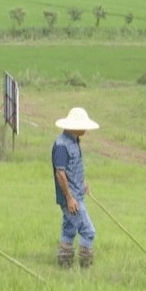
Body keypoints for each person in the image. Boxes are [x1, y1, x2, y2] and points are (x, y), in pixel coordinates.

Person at [52, 107, 100, 268]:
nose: (86, 129)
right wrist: (70, 198)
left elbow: (73, 168)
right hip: (72, 199)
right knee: (88, 231)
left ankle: (64, 266)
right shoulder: (61, 145)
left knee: (69, 230)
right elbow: (60, 173)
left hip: (77, 194)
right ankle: (86, 268)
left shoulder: (73, 142)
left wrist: (82, 181)